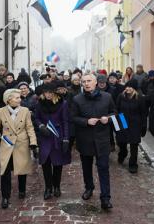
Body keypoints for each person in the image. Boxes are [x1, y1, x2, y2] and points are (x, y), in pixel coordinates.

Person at [71, 73, 116, 210]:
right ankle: (89, 188)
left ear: (96, 82)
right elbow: (72, 118)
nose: (86, 83)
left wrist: (107, 118)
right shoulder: (77, 99)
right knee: (86, 167)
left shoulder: (107, 97)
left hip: (102, 140)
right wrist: (86, 121)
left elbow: (115, 113)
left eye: (89, 81)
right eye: (83, 81)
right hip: (85, 139)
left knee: (103, 168)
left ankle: (105, 198)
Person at [0, 89, 37, 209]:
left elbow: (30, 127)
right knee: (5, 170)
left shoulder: (25, 111)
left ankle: (22, 190)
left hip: (21, 143)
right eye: (17, 98)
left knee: (21, 168)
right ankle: (5, 197)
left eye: (20, 97)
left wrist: (33, 142)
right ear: (8, 100)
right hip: (7, 143)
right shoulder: (0, 111)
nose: (20, 99)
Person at [35, 83, 70, 200]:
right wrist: (40, 126)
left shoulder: (62, 103)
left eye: (50, 92)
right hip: (45, 136)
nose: (48, 95)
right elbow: (36, 118)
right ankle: (48, 188)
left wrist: (66, 138)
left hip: (57, 136)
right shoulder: (39, 104)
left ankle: (57, 187)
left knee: (58, 163)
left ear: (54, 93)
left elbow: (65, 121)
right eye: (46, 92)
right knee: (45, 163)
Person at [115, 79, 147, 173]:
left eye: (130, 87)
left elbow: (143, 113)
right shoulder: (121, 96)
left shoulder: (140, 98)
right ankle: (122, 154)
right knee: (122, 142)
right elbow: (116, 110)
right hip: (122, 121)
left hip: (135, 123)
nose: (128, 88)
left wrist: (143, 126)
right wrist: (116, 126)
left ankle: (133, 164)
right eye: (127, 86)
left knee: (134, 145)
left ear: (134, 89)